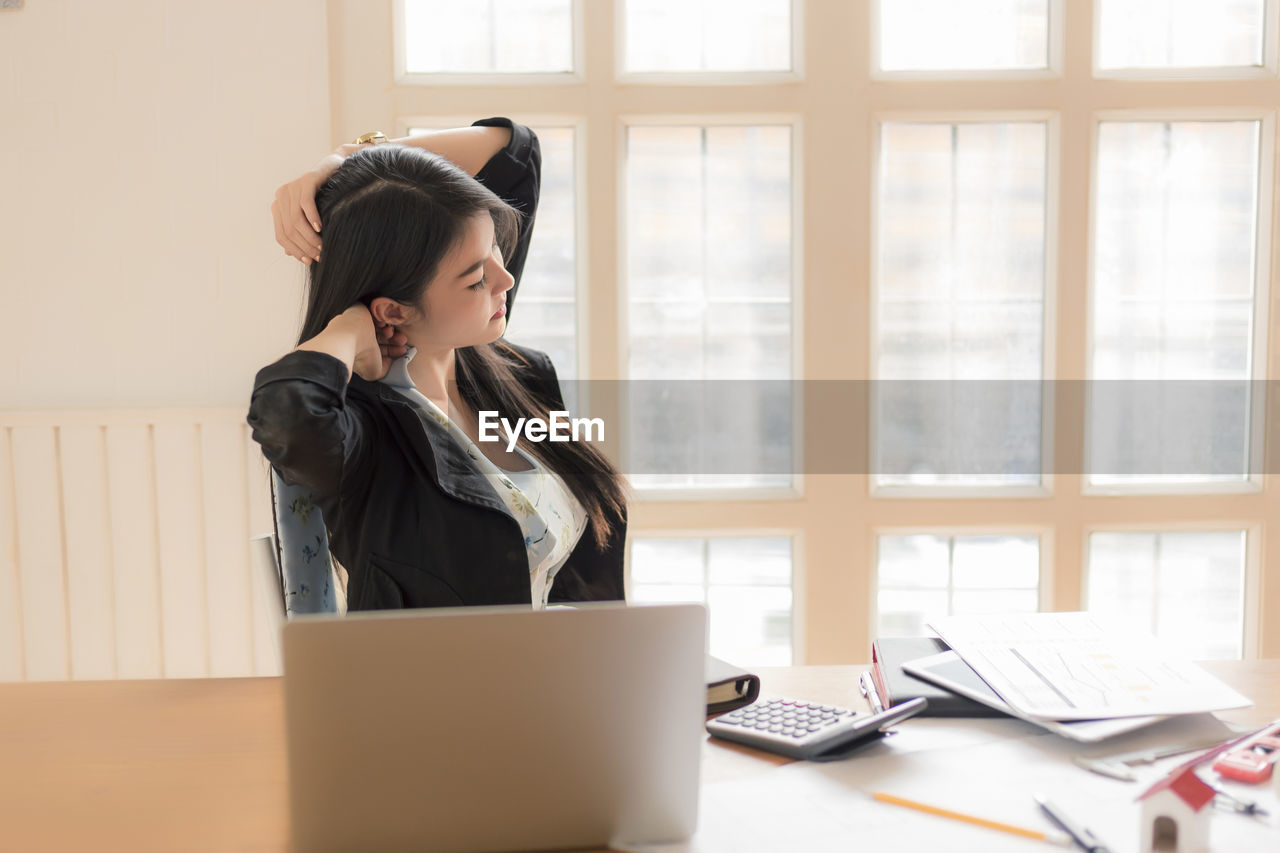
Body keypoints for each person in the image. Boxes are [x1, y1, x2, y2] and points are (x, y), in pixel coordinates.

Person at [250, 119, 627, 610]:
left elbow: (514, 150)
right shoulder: (360, 433)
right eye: (475, 279)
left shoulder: (511, 371)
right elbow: (286, 407)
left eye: (495, 247)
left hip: (576, 670)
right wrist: (347, 330)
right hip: (441, 686)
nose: (505, 278)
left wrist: (346, 161)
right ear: (392, 310)